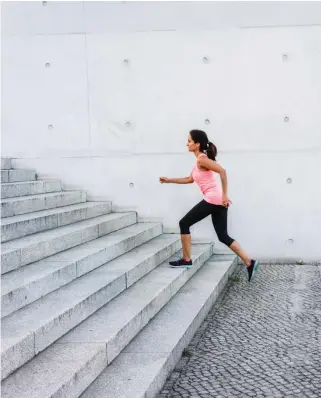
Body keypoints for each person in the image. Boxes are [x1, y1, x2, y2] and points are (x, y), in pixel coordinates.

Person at [159, 129, 260, 282]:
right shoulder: (199, 161)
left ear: (197, 144)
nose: (187, 143)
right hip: (218, 201)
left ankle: (186, 259)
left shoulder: (202, 159)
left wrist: (225, 194)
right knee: (223, 236)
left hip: (214, 199)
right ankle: (249, 262)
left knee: (184, 223)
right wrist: (169, 180)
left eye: (189, 141)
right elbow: (189, 179)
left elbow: (222, 171)